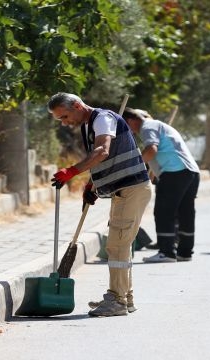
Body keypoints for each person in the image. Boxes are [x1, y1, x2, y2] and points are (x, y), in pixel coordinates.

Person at [48, 93, 152, 317]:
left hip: (131, 189)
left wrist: (72, 171)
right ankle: (126, 297)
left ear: (77, 105)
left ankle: (116, 300)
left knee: (116, 246)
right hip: (123, 191)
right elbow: (103, 160)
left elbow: (102, 151)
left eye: (65, 116)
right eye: (60, 120)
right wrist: (91, 185)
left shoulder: (102, 118)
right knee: (120, 245)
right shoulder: (89, 126)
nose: (65, 123)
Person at [123, 107, 200, 263]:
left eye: (125, 126)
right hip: (191, 172)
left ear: (131, 120)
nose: (128, 132)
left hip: (174, 172)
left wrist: (131, 167)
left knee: (164, 212)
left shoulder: (147, 126)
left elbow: (151, 150)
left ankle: (167, 252)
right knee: (185, 212)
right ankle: (185, 252)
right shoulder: (158, 125)